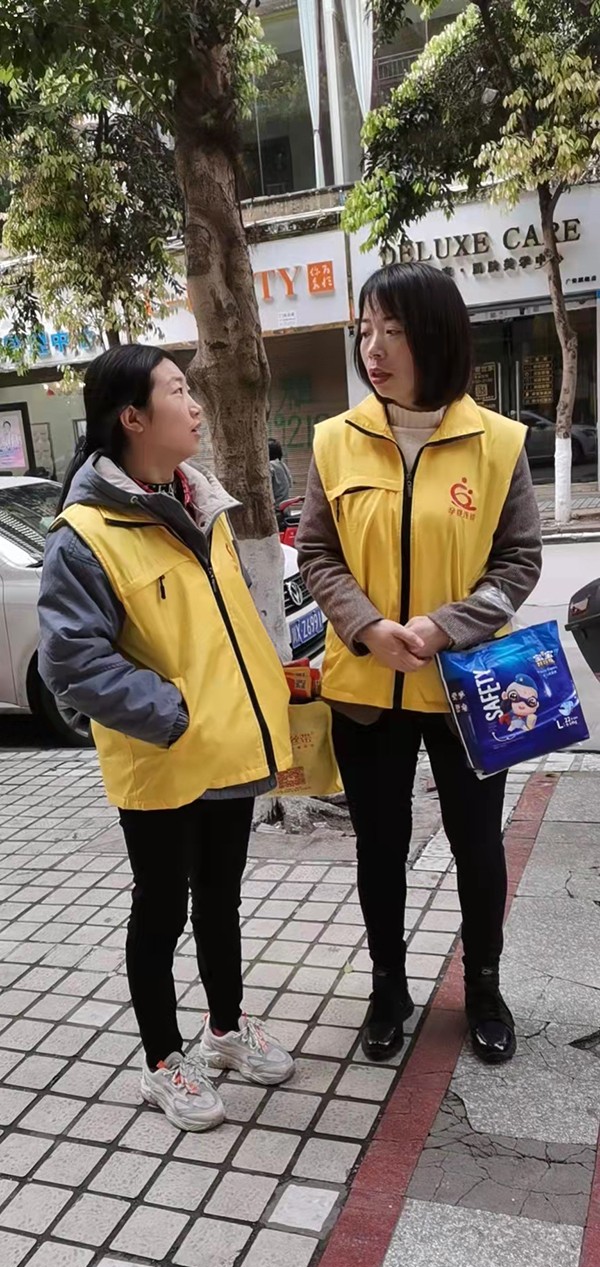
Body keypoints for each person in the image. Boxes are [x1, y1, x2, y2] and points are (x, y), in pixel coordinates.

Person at [38, 344, 295, 1131]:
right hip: (162, 757)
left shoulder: (200, 503)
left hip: (226, 746)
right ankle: (161, 1060)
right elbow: (70, 662)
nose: (195, 406)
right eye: (178, 391)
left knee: (221, 897)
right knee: (161, 909)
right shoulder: (86, 533)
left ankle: (225, 1027)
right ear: (133, 417)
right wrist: (176, 713)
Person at [296, 262, 542, 1067]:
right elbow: (317, 552)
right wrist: (366, 627)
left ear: (436, 337)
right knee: (379, 845)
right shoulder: (334, 441)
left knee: (477, 844)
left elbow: (518, 561)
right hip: (367, 686)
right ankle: (388, 986)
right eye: (366, 330)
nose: (374, 348)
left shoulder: (499, 443)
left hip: (467, 682)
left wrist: (443, 626)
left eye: (394, 331)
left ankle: (485, 987)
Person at [269, 437, 293, 509]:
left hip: (275, 510)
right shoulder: (283, 465)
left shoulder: (269, 467)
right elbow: (290, 484)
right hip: (285, 509)